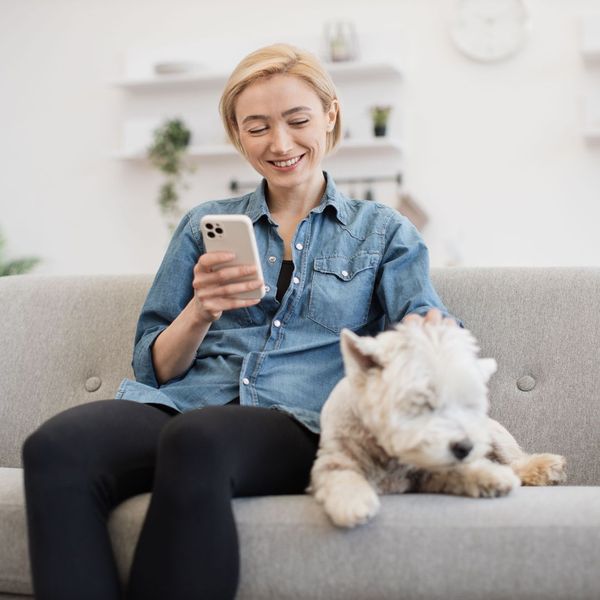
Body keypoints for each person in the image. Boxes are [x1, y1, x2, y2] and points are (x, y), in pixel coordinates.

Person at [21, 43, 455, 600]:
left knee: (199, 440)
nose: (280, 143)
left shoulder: (382, 232)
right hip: (184, 407)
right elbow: (154, 366)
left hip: (297, 420)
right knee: (55, 448)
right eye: (258, 127)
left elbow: (427, 321)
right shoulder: (204, 224)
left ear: (330, 114)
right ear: (237, 134)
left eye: (298, 120)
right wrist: (201, 310)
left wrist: (428, 327)